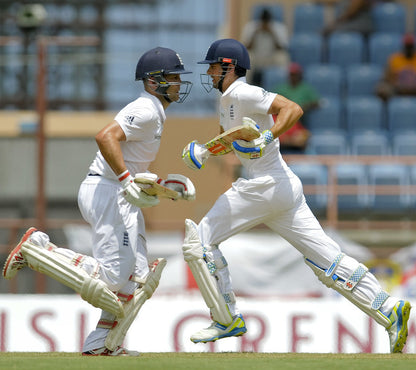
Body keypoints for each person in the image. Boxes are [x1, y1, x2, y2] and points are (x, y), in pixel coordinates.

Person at [181, 38, 411, 353]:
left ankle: (226, 317)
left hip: (262, 185)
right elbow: (234, 139)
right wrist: (205, 150)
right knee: (327, 261)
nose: (207, 73)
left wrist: (268, 136)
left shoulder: (244, 91)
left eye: (211, 66)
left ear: (228, 66)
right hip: (282, 187)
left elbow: (292, 108)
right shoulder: (227, 102)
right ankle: (387, 308)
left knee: (199, 242)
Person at [2, 47, 196, 356]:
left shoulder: (154, 113)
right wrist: (126, 180)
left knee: (139, 278)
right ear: (152, 81)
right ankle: (38, 248)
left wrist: (155, 187)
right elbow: (105, 136)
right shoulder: (145, 109)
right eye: (172, 77)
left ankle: (102, 345)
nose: (177, 83)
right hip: (108, 191)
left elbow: (133, 163)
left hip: (120, 194)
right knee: (113, 278)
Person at [273, 62, 320, 154]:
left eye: (295, 74)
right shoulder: (281, 88)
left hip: (301, 117)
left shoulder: (306, 88)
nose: (293, 77)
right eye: (292, 75)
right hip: (283, 116)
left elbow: (316, 103)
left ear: (300, 75)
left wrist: (304, 107)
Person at [240, 7, 289, 88]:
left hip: (271, 57)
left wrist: (272, 34)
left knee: (283, 57)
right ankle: (244, 86)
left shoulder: (279, 27)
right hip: (257, 57)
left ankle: (283, 87)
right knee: (247, 57)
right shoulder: (251, 27)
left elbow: (282, 48)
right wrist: (255, 34)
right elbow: (246, 48)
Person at [376, 33, 416, 101]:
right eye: (407, 46)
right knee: (382, 88)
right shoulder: (395, 59)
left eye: (410, 46)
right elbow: (386, 78)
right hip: (398, 89)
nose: (409, 49)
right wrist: (396, 83)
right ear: (403, 46)